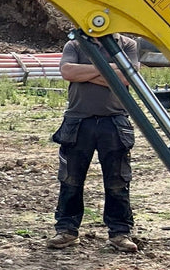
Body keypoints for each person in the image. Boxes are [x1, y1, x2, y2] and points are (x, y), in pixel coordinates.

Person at [49, 33, 139, 253]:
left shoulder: (128, 45)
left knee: (117, 180)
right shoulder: (75, 44)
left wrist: (85, 73)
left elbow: (128, 77)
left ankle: (120, 233)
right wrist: (110, 71)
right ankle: (67, 230)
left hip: (114, 121)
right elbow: (67, 72)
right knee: (71, 179)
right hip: (78, 121)